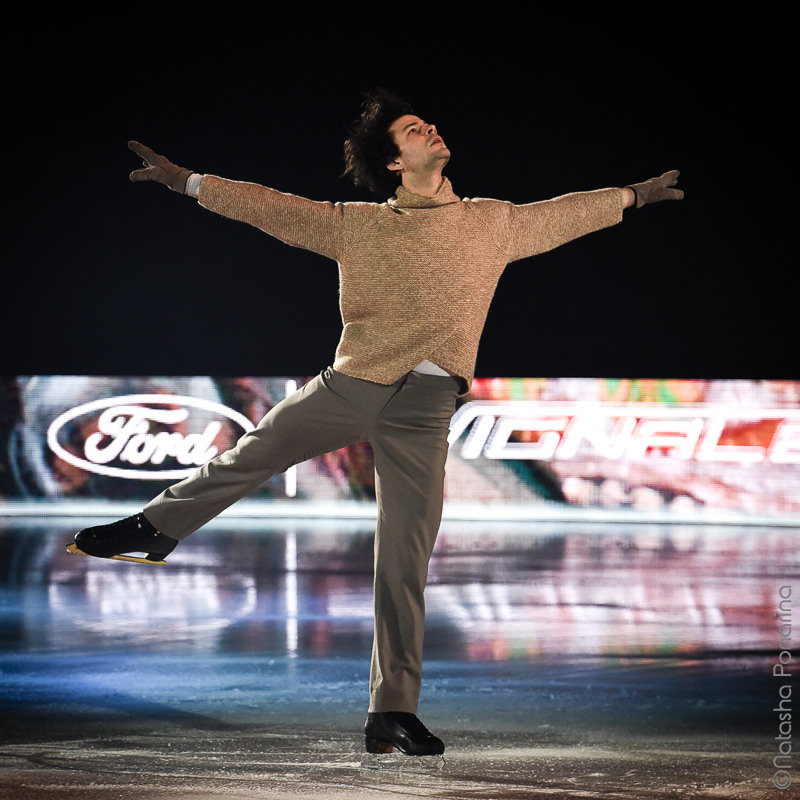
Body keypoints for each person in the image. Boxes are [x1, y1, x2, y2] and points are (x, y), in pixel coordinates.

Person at [67, 89, 683, 756]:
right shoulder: (356, 224)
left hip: (425, 407)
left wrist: (633, 196)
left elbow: (563, 214)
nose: (431, 130)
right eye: (415, 130)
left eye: (429, 124)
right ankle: (153, 528)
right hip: (355, 383)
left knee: (404, 562)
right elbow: (273, 208)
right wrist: (189, 182)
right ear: (394, 161)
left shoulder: (491, 222)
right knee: (254, 451)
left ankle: (391, 711)